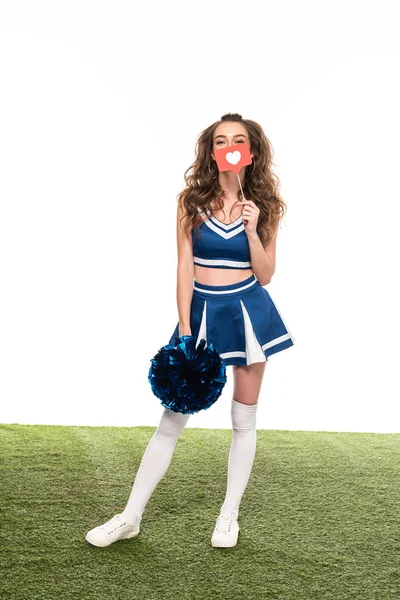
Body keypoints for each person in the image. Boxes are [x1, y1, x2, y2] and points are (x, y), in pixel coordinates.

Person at [85, 112, 294, 549]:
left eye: (238, 140)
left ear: (251, 151)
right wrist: (185, 330)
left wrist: (253, 231)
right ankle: (130, 516)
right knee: (171, 420)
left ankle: (228, 516)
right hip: (201, 315)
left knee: (243, 419)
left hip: (249, 315)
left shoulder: (268, 205)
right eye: (221, 140)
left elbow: (267, 273)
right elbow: (183, 266)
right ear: (212, 150)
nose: (229, 146)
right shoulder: (191, 200)